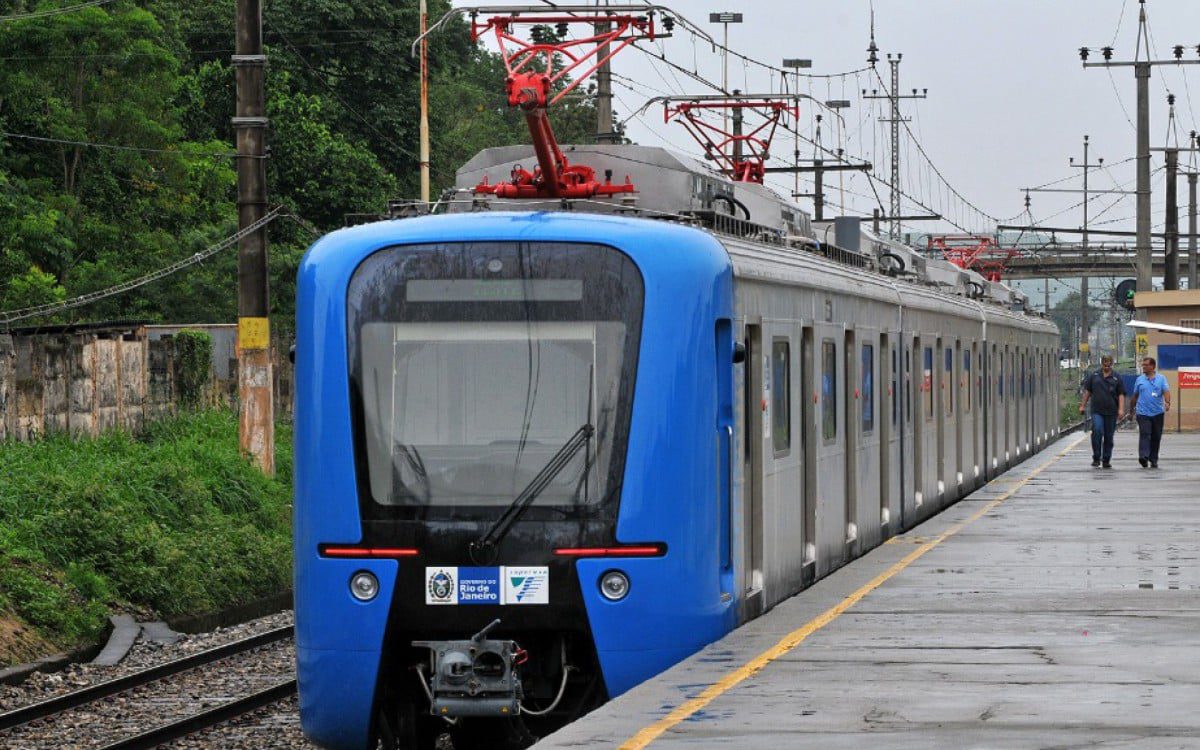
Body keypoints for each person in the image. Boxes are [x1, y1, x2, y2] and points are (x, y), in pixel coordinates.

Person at [1079, 355, 1125, 468]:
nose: (1107, 364)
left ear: (1112, 363)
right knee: (1097, 430)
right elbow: (1087, 391)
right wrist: (1083, 405)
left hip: (1111, 411)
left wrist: (1121, 409)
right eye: (1105, 362)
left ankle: (1106, 459)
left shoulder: (1117, 377)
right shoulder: (1094, 375)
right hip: (1097, 410)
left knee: (1109, 436)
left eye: (1109, 362)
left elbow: (1121, 394)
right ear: (1102, 363)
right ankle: (1096, 457)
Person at [1127, 356, 1171, 468]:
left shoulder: (1161, 378)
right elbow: (1135, 396)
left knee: (1156, 436)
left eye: (1146, 365)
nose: (1144, 367)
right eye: (1143, 365)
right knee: (1145, 434)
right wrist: (1131, 411)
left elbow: (1166, 391)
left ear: (1153, 366)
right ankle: (1143, 456)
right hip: (1142, 413)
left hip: (1157, 413)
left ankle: (1153, 459)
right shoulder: (1139, 379)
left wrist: (1167, 402)